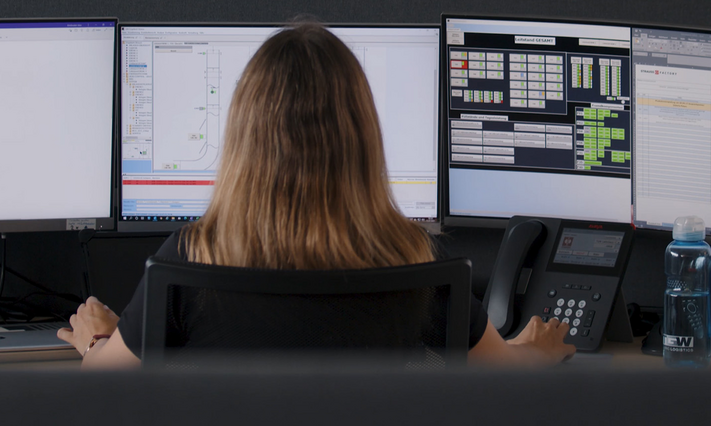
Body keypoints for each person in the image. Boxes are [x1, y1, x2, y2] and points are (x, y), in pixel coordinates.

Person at [59, 23, 576, 368]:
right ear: (363, 137)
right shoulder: (414, 260)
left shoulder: (192, 257)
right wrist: (539, 351)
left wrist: (98, 341)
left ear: (243, 138)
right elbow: (503, 373)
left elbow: (104, 382)